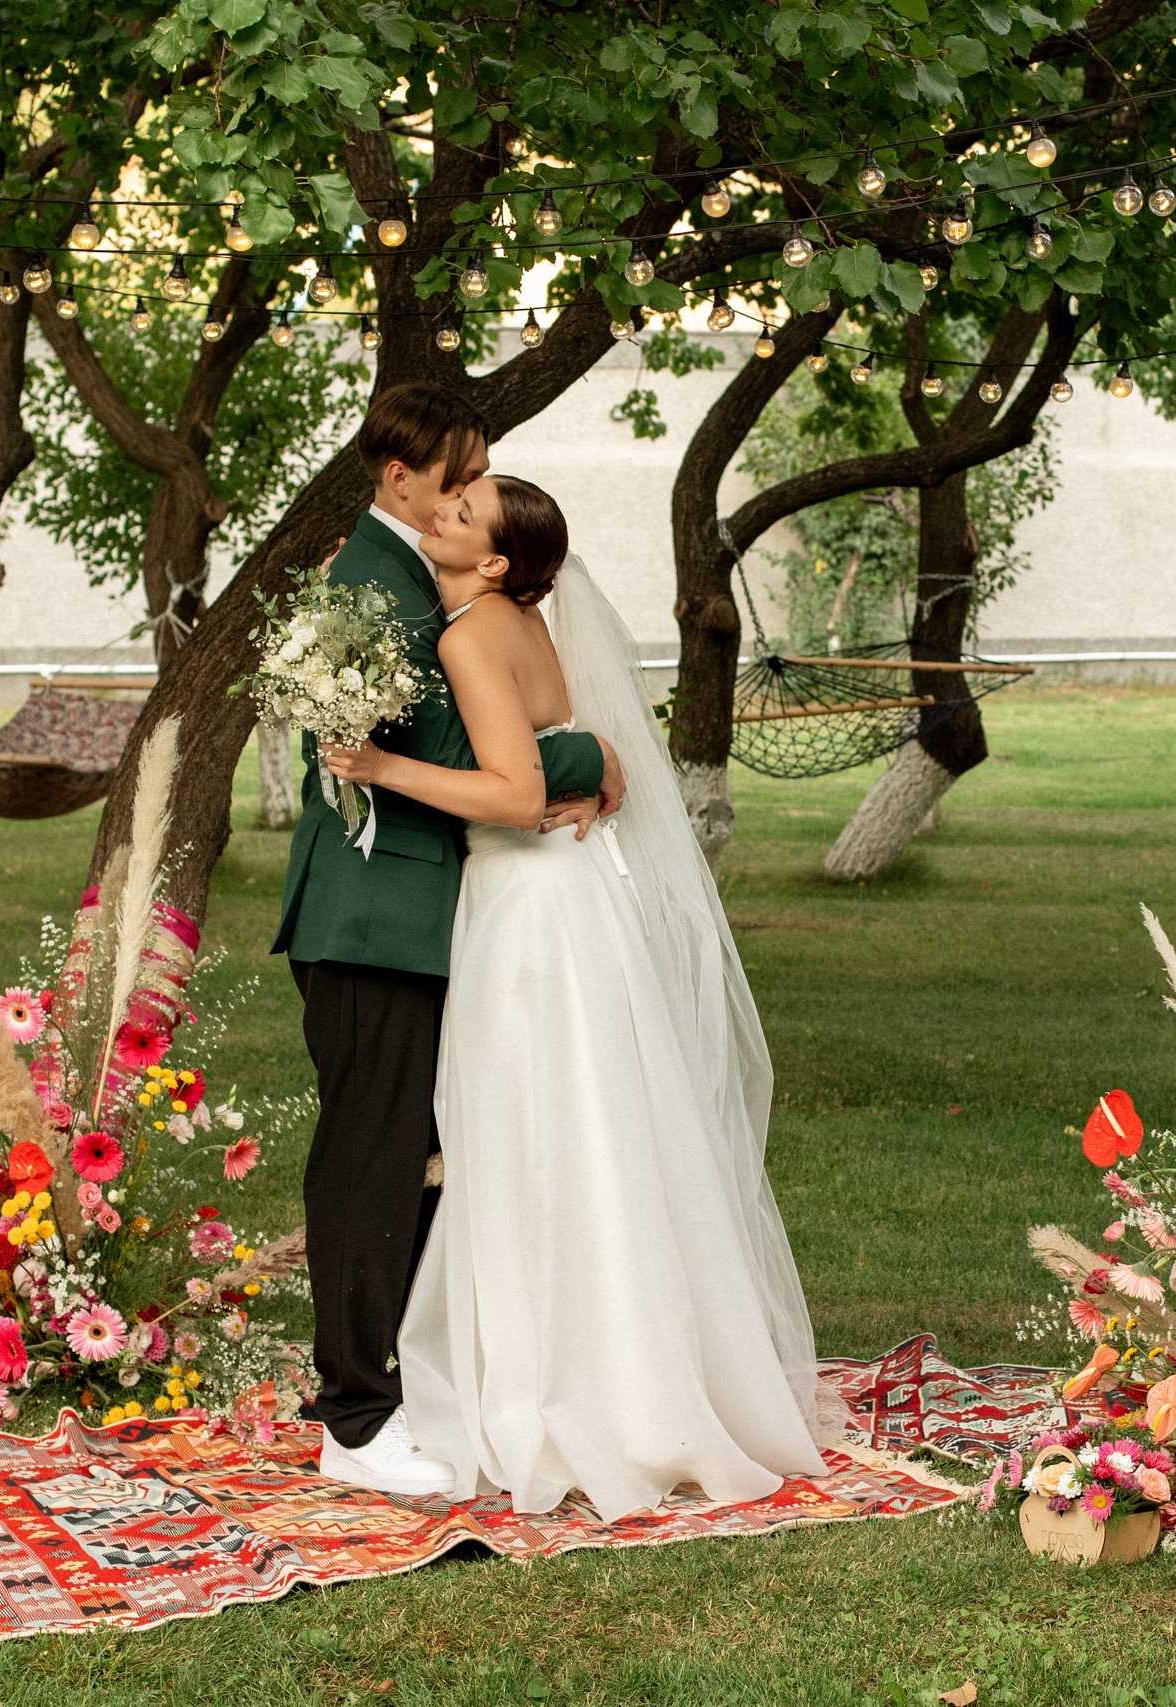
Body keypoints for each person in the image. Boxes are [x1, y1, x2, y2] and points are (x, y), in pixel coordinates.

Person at [320, 474, 827, 1519]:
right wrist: (588, 764)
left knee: (533, 1139)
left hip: (529, 909)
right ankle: (625, 1367)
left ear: (496, 560)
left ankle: (559, 1387)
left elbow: (510, 793)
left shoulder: (468, 635)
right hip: (568, 896)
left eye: (461, 516)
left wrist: (378, 765)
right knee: (595, 1129)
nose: (440, 515)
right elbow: (559, 756)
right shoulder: (513, 620)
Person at [272, 386, 624, 1497]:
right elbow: (464, 748)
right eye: (459, 478)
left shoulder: (401, 576)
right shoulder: (375, 586)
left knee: (421, 1162)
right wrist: (589, 763)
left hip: (420, 916)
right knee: (372, 1161)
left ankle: (406, 1380)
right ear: (401, 479)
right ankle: (356, 1420)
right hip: (374, 920)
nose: (469, 495)